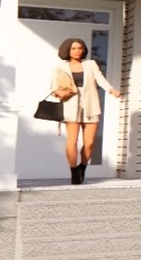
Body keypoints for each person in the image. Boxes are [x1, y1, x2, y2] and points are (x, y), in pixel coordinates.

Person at [52, 37, 121, 185]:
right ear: (67, 50)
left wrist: (111, 90)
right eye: (74, 48)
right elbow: (53, 88)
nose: (77, 51)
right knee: (72, 141)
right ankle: (74, 172)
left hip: (91, 105)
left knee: (89, 143)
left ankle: (82, 166)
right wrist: (59, 93)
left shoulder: (90, 64)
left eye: (80, 48)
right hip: (71, 105)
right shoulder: (60, 67)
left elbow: (100, 79)